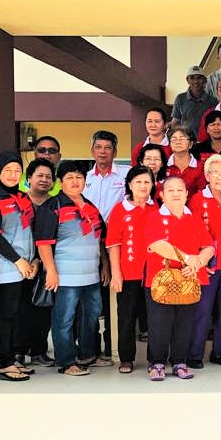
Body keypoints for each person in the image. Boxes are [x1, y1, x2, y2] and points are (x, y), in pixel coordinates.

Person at [35, 161, 109, 376]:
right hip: (65, 276)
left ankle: (87, 354)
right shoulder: (53, 206)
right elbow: (43, 243)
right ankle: (66, 362)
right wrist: (50, 271)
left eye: (79, 177)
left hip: (91, 275)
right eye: (69, 178)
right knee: (64, 318)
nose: (75, 182)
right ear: (60, 182)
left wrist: (105, 265)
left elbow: (100, 239)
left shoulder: (91, 206)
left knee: (92, 316)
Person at [143, 176, 215, 381]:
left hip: (189, 279)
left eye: (180, 190)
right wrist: (188, 259)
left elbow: (208, 247)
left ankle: (179, 362)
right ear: (162, 195)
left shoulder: (194, 219)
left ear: (186, 194)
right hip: (161, 280)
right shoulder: (155, 217)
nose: (175, 194)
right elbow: (157, 245)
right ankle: (157, 363)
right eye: (170, 190)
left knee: (184, 322)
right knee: (159, 322)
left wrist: (198, 263)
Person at [0, 152, 37, 382]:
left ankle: (14, 359)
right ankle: (4, 363)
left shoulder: (22, 196)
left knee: (20, 313)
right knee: (7, 313)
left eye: (17, 170)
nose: (13, 175)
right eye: (7, 170)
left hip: (25, 264)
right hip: (5, 263)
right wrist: (18, 260)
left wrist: (33, 260)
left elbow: (30, 230)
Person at [187, 155, 221, 368]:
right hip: (207, 265)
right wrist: (201, 261)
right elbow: (193, 233)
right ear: (207, 176)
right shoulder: (197, 200)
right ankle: (194, 355)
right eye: (215, 173)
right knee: (202, 311)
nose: (219, 177)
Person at [105, 166, 156, 375]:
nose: (143, 186)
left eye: (147, 182)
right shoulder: (120, 209)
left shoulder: (157, 208)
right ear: (130, 185)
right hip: (128, 273)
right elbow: (113, 244)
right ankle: (126, 358)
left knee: (154, 318)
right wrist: (116, 273)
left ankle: (156, 359)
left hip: (154, 273)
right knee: (126, 317)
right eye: (138, 182)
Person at [83, 130, 127, 362]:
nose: (102, 152)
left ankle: (112, 346)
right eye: (98, 147)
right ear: (92, 151)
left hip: (117, 241)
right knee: (93, 296)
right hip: (90, 242)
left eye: (107, 148)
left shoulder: (125, 175)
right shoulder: (84, 179)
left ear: (115, 152)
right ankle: (91, 348)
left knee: (115, 295)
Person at [18, 158, 57, 366]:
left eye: (48, 177)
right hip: (20, 264)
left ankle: (39, 351)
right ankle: (18, 351)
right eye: (39, 175)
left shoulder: (56, 204)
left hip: (46, 264)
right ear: (29, 178)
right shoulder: (19, 202)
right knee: (20, 308)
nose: (44, 180)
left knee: (43, 307)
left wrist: (41, 262)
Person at [173, 66, 216, 134]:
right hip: (185, 138)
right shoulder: (180, 98)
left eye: (199, 78)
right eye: (192, 78)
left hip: (206, 138)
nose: (196, 81)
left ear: (205, 80)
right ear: (187, 80)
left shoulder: (212, 101)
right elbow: (176, 121)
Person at [165, 125, 208, 196]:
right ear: (170, 144)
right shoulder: (163, 165)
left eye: (182, 139)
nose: (178, 142)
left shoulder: (200, 167)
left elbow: (202, 193)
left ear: (190, 144)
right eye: (174, 139)